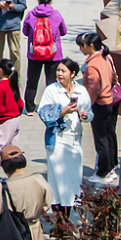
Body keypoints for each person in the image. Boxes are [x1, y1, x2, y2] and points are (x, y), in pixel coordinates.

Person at [35, 58, 86, 215]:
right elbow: (43, 113)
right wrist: (62, 112)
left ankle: (67, 218)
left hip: (75, 140)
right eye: (58, 70)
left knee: (72, 181)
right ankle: (59, 220)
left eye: (63, 71)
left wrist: (84, 115)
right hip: (57, 140)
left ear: (73, 74)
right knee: (57, 181)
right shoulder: (51, 90)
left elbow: (90, 113)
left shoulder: (81, 91)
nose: (59, 74)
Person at [80, 32, 121, 184]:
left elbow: (93, 88)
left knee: (101, 139)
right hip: (110, 101)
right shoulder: (105, 57)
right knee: (109, 135)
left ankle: (104, 171)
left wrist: (87, 105)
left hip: (100, 104)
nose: (81, 48)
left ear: (91, 46)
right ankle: (111, 166)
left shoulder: (92, 65)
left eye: (83, 45)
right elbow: (113, 77)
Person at [23, 0, 67, 92]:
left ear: (38, 0)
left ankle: (30, 106)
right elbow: (64, 31)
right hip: (53, 54)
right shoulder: (56, 14)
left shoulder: (30, 14)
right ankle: (51, 105)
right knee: (52, 82)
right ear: (51, 1)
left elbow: (25, 32)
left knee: (32, 82)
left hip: (34, 53)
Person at [0, 57, 26, 153]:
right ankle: (16, 165)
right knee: (13, 148)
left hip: (6, 121)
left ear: (1, 70)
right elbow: (20, 103)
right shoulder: (14, 85)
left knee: (2, 149)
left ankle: (8, 167)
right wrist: (18, 113)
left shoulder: (0, 88)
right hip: (15, 119)